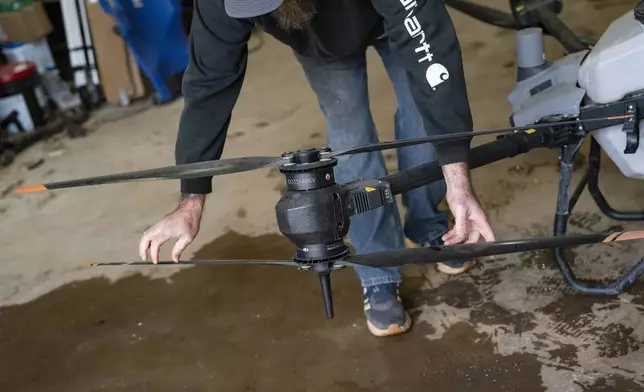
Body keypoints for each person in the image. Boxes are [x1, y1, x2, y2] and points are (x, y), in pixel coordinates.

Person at [139, 0, 495, 337]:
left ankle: (426, 222)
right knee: (351, 138)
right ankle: (379, 270)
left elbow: (431, 51)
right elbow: (209, 83)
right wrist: (191, 199)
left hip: (391, 18)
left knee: (422, 112)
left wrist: (459, 182)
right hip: (318, 41)